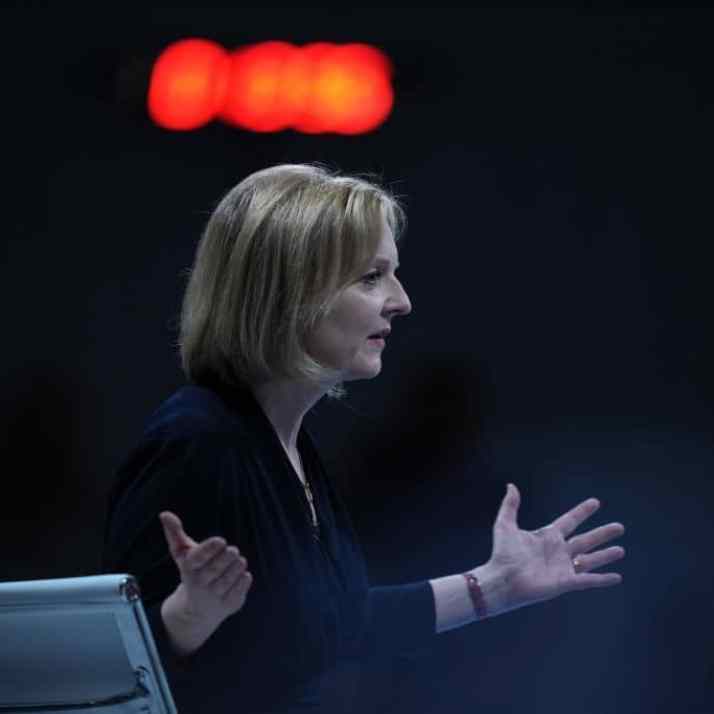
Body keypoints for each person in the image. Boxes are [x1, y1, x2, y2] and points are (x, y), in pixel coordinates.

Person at [102, 164, 626, 713]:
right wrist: (186, 618)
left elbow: (328, 626)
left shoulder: (280, 441)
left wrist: (495, 586)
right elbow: (113, 675)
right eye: (372, 277)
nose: (402, 300)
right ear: (290, 293)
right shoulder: (198, 441)